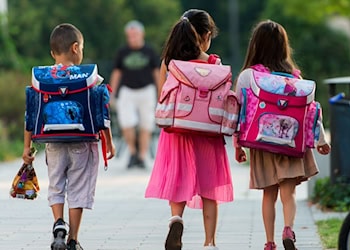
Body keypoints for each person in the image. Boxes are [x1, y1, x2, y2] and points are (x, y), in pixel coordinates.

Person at [233, 20, 331, 250]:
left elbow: (239, 112)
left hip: (261, 142)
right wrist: (321, 140)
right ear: (283, 46)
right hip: (290, 142)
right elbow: (311, 113)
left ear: (255, 45)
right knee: (289, 194)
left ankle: (269, 243)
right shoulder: (295, 78)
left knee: (269, 195)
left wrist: (238, 145)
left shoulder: (248, 76)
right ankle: (288, 228)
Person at [144, 9, 233, 250]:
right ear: (205, 35)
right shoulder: (215, 64)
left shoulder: (170, 63)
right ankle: (209, 242)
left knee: (178, 179)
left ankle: (176, 219)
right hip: (208, 132)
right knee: (209, 187)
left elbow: (164, 96)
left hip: (177, 131)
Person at [22, 23, 115, 250]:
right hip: (82, 142)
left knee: (56, 185)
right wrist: (109, 142)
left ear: (53, 53)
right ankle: (73, 240)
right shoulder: (90, 77)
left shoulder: (43, 78)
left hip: (52, 142)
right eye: (81, 47)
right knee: (78, 189)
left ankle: (58, 223)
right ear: (76, 48)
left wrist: (27, 148)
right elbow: (102, 112)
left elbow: (31, 113)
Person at [109, 20, 160, 169]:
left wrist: (160, 92)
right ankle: (132, 151)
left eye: (135, 35)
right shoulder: (122, 52)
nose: (132, 38)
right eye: (130, 35)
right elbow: (117, 72)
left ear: (141, 34)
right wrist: (112, 93)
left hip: (147, 90)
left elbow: (156, 73)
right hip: (127, 91)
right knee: (126, 122)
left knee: (146, 123)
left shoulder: (149, 51)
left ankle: (142, 155)